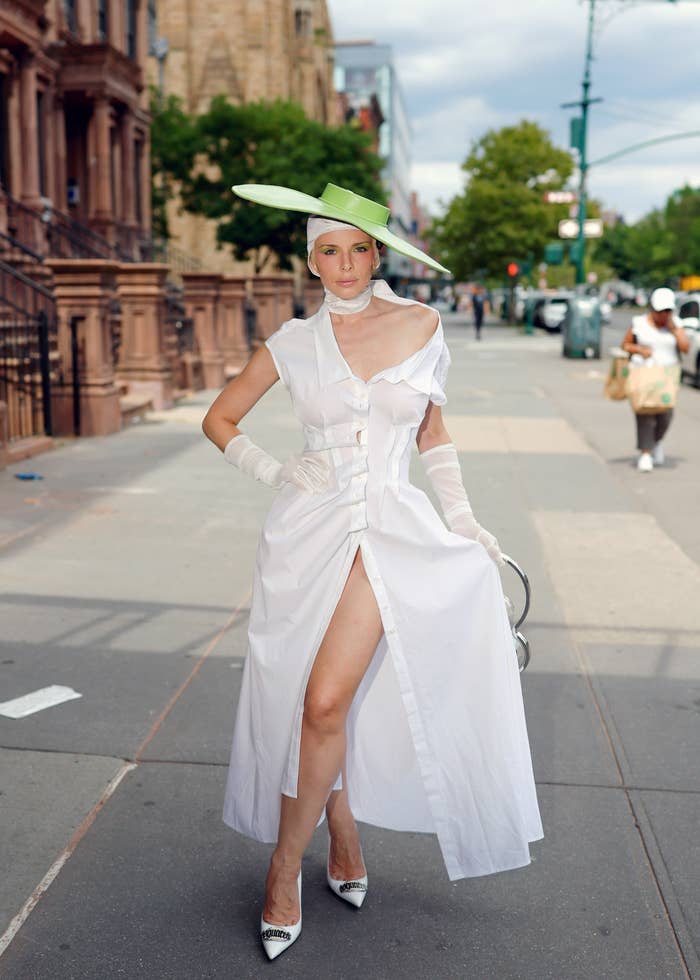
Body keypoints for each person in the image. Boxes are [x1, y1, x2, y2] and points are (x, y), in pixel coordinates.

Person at [202, 182, 543, 961]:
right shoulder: (291, 343)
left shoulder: (421, 326)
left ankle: (284, 867)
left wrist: (464, 522)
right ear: (312, 258)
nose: (346, 265)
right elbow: (218, 419)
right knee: (313, 696)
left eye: (359, 249)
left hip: (388, 530)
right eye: (330, 250)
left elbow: (433, 431)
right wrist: (276, 470)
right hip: (303, 539)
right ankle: (342, 828)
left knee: (324, 701)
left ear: (378, 254)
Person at [621, 287, 689, 472]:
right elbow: (626, 344)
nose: (664, 315)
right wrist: (641, 351)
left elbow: (685, 348)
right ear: (653, 309)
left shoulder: (675, 324)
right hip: (643, 373)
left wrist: (675, 330)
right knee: (645, 413)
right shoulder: (639, 323)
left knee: (665, 415)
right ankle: (645, 452)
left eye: (668, 311)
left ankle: (656, 442)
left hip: (667, 376)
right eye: (661, 311)